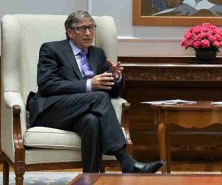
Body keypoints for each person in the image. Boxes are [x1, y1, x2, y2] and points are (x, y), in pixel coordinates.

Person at [28, 11, 165, 173]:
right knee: (99, 97)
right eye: (82, 28)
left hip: (83, 110)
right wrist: (88, 84)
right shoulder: (51, 49)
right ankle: (126, 161)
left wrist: (116, 77)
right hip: (52, 110)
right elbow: (47, 85)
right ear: (70, 32)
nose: (88, 33)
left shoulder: (97, 54)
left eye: (91, 28)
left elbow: (113, 93)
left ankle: (90, 178)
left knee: (91, 121)